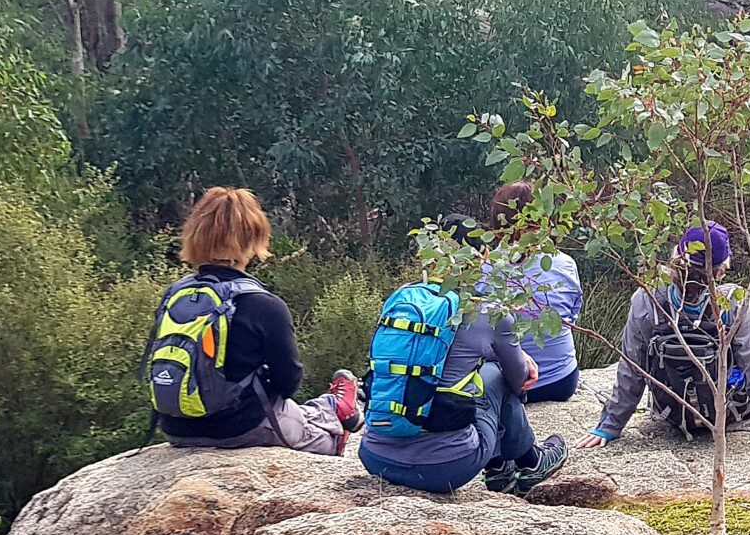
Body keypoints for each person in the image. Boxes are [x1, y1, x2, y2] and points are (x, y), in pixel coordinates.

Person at [150, 187, 362, 455]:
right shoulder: (264, 305)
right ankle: (336, 407)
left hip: (177, 430)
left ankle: (333, 404)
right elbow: (288, 382)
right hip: (241, 428)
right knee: (328, 439)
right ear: (253, 239)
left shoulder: (174, 296)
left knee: (296, 412)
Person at [576, 224, 750, 452]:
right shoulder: (733, 302)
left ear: (676, 256)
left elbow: (632, 369)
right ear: (721, 269)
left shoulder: (647, 298)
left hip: (671, 415)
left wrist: (609, 426)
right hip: (729, 413)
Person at [359, 233, 560, 495]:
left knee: (475, 376)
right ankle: (528, 462)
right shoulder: (489, 312)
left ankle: (505, 468)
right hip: (446, 467)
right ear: (482, 257)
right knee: (496, 375)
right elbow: (519, 380)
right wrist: (519, 360)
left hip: (376, 457)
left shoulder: (403, 300)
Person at [488, 180, 582, 404]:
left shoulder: (485, 269)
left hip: (509, 385)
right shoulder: (565, 263)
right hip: (562, 380)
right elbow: (571, 315)